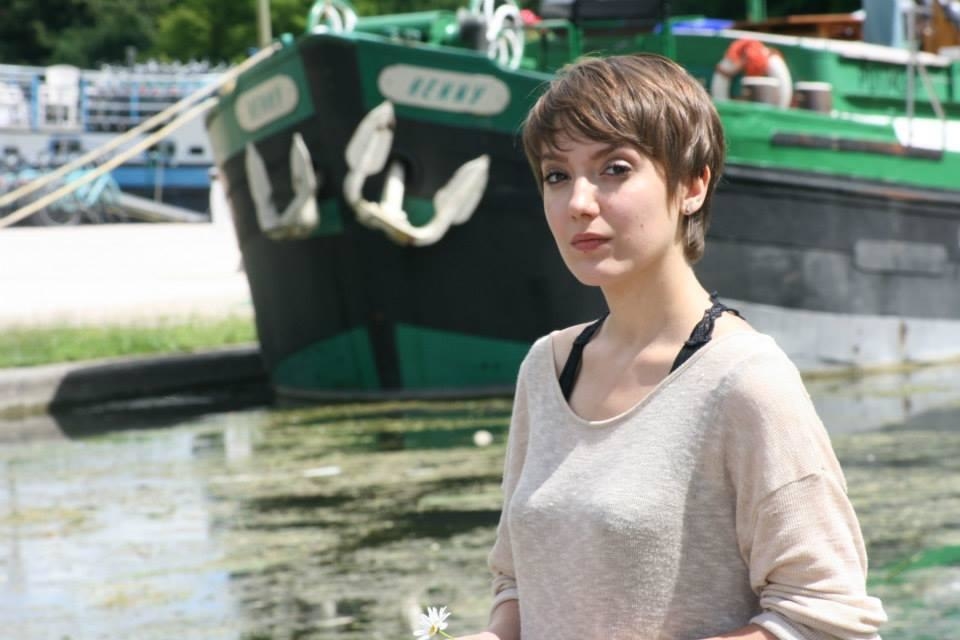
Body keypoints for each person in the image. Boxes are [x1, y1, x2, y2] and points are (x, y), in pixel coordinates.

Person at [456, 54, 886, 640]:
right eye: (557, 175)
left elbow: (827, 618)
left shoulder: (745, 380)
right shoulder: (546, 369)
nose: (578, 201)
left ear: (692, 185)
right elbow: (516, 580)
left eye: (614, 169)